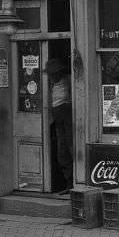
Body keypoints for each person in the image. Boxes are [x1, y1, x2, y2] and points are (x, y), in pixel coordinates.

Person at [46, 57, 73, 193]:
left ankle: (74, 182)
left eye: (53, 74)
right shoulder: (51, 85)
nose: (52, 77)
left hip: (68, 119)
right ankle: (68, 183)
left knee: (70, 148)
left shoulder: (69, 80)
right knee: (62, 153)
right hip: (57, 121)